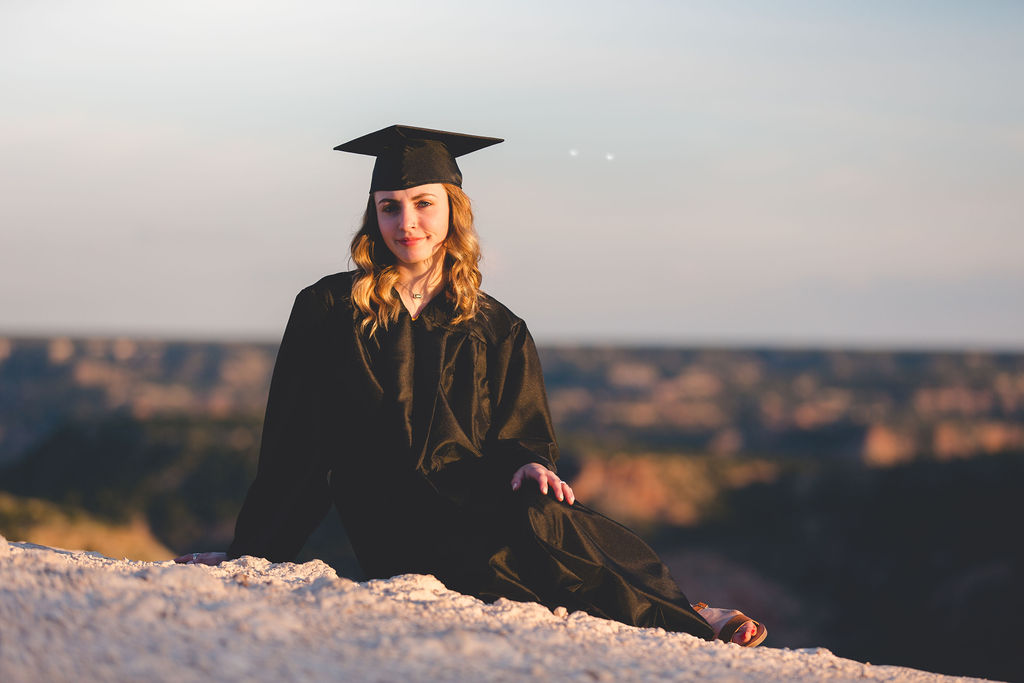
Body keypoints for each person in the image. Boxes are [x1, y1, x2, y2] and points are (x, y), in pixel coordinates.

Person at [174, 125, 766, 647]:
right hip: (388, 512)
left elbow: (519, 431)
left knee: (543, 510)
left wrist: (531, 462)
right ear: (371, 215)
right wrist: (251, 553)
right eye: (388, 207)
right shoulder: (328, 309)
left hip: (475, 493)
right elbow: (296, 442)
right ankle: (685, 614)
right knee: (501, 575)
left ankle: (685, 613)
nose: (405, 223)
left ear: (454, 208)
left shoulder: (496, 326)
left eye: (423, 203)